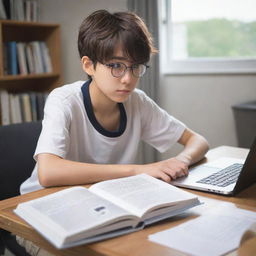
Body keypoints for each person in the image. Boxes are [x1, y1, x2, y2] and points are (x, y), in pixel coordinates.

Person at [17, 9, 209, 255]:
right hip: (39, 214)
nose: (127, 79)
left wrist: (180, 160)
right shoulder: (64, 100)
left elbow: (197, 140)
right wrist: (140, 170)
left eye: (135, 67)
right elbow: (48, 172)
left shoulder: (137, 101)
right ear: (89, 65)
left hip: (98, 209)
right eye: (116, 66)